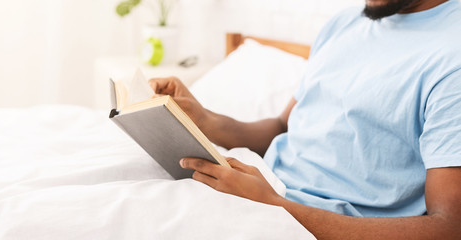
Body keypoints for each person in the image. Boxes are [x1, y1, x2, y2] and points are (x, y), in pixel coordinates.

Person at [150, 0, 461, 238]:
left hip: (302, 219)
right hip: (260, 186)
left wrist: (278, 207)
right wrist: (204, 119)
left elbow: (448, 227)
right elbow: (282, 127)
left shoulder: (452, 56)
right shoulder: (345, 23)